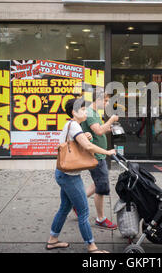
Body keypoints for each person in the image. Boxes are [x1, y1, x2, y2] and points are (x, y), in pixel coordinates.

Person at [47, 98, 116, 253]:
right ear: (74, 112)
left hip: (64, 174)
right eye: (83, 109)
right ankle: (92, 247)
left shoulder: (72, 125)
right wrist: (108, 152)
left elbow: (78, 141)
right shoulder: (73, 126)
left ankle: (52, 240)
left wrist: (85, 135)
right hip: (69, 177)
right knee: (84, 210)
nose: (86, 112)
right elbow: (88, 146)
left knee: (65, 208)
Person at [81, 90, 119, 230]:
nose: (107, 103)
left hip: (99, 155)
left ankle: (77, 204)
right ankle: (100, 218)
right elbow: (98, 131)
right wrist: (111, 120)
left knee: (97, 183)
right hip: (96, 156)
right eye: (106, 100)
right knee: (102, 187)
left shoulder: (93, 112)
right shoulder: (91, 113)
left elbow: (98, 130)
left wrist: (107, 128)